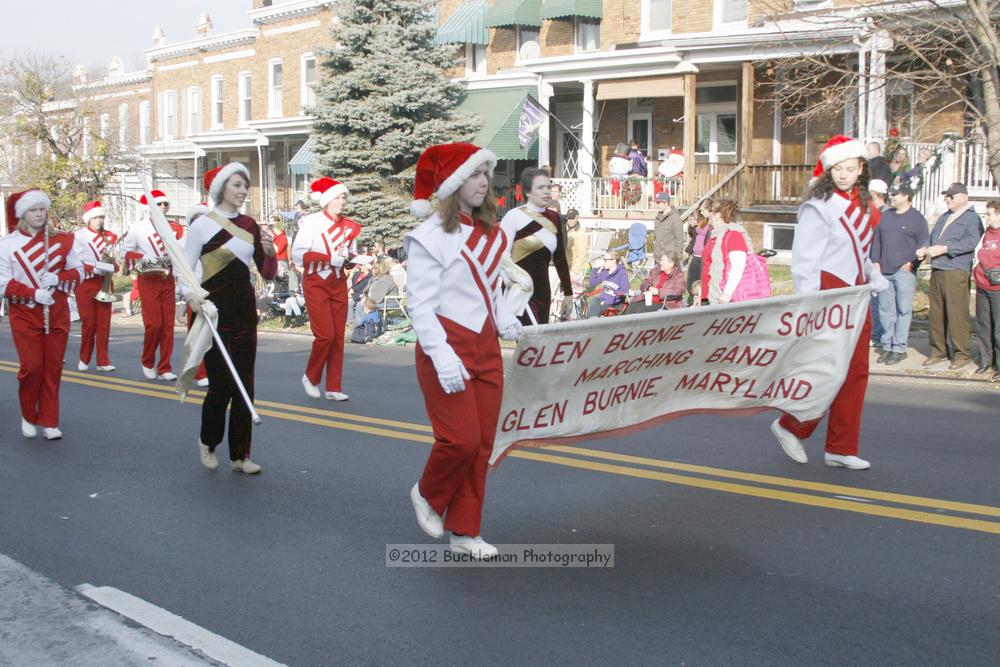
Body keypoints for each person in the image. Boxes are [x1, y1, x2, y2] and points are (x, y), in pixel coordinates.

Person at [404, 142, 523, 559]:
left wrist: (506, 316)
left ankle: (465, 530)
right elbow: (419, 304)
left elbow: (492, 288)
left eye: (485, 173)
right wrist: (440, 354)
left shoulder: (493, 232)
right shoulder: (429, 235)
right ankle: (426, 493)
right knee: (461, 441)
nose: (483, 181)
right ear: (454, 183)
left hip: (485, 343)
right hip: (445, 343)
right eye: (474, 174)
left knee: (484, 443)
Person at [770, 135, 889, 471]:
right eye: (837, 168)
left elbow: (859, 253)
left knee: (856, 373)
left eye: (850, 168)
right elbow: (804, 262)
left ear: (861, 169)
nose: (843, 174)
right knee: (826, 369)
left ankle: (841, 446)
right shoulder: (818, 207)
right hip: (828, 292)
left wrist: (873, 275)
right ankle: (791, 425)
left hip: (857, 293)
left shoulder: (866, 207)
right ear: (828, 169)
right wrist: (809, 303)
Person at [182, 163, 276, 474]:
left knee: (244, 385)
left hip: (244, 312)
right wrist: (192, 296)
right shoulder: (202, 226)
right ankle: (208, 442)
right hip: (214, 314)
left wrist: (271, 252)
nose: (242, 191)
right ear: (222, 188)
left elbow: (267, 272)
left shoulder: (251, 225)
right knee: (221, 385)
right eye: (236, 185)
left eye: (245, 187)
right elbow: (183, 269)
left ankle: (240, 455)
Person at [0, 190, 84, 440]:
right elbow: (3, 283)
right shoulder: (8, 244)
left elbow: (79, 272)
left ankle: (49, 420)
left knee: (53, 368)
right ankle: (28, 414)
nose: (38, 213)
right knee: (32, 368)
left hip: (56, 313)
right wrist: (33, 293)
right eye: (33, 209)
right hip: (25, 314)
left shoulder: (63, 240)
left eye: (42, 209)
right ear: (22, 214)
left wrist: (59, 278)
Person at [292, 177, 361, 401]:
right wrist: (330, 259)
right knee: (325, 335)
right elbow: (299, 254)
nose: (343, 201)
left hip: (338, 283)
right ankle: (310, 377)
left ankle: (333, 386)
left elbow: (349, 253)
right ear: (328, 200)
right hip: (316, 282)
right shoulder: (311, 222)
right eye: (339, 197)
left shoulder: (350, 226)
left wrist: (355, 259)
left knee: (338, 337)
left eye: (344, 197)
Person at [917, 182, 984, 370]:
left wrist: (946, 249)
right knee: (937, 314)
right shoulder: (944, 216)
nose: (947, 199)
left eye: (951, 196)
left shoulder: (972, 218)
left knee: (957, 314)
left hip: (956, 269)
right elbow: (932, 237)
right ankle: (938, 350)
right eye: (947, 196)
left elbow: (971, 242)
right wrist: (925, 248)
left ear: (963, 197)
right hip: (938, 268)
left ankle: (962, 353)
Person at [500, 167, 572, 325]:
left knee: (540, 345)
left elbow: (560, 258)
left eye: (549, 186)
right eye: (540, 187)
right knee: (527, 343)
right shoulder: (514, 216)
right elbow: (500, 256)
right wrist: (510, 283)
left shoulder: (554, 218)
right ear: (528, 192)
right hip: (519, 292)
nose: (547, 191)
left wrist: (568, 293)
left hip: (543, 294)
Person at [121, 190, 178, 381]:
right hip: (148, 279)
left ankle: (165, 367)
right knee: (154, 324)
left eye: (165, 204)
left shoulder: (174, 228)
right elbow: (125, 253)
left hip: (167, 278)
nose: (163, 207)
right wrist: (143, 257)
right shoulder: (138, 228)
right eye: (159, 204)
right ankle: (147, 361)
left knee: (168, 326)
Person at [870, 184, 928, 365]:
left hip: (904, 271)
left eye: (895, 195)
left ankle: (899, 347)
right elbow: (877, 240)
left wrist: (912, 263)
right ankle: (887, 345)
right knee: (886, 311)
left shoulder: (917, 219)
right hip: (885, 270)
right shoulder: (886, 216)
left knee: (903, 311)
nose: (892, 197)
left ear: (906, 196)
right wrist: (876, 261)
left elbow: (923, 244)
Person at [73, 200, 118, 372]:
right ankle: (84, 358)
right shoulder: (80, 236)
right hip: (87, 283)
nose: (99, 221)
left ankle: (103, 360)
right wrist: (97, 268)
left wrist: (113, 266)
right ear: (88, 219)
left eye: (101, 217)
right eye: (96, 217)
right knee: (89, 323)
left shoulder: (110, 236)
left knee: (104, 324)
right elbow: (75, 262)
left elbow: (115, 260)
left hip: (105, 283)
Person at [700, 199, 750, 305]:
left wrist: (727, 294)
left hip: (722, 297)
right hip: (710, 294)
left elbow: (738, 267)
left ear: (717, 215)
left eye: (710, 211)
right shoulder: (716, 235)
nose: (708, 215)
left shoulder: (733, 235)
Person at [971, 200, 1000, 379]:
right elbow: (978, 254)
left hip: (997, 288)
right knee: (983, 326)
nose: (986, 217)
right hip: (982, 285)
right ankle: (985, 361)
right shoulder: (987, 233)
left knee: (999, 328)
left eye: (989, 214)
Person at [586, 251, 629, 317]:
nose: (603, 262)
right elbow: (592, 283)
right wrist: (595, 269)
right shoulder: (605, 272)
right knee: (594, 301)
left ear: (613, 260)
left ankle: (591, 324)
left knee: (592, 308)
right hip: (602, 300)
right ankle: (592, 323)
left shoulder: (622, 273)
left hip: (615, 303)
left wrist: (607, 301)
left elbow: (625, 291)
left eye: (605, 260)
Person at [685, 199, 713, 304]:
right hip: (695, 256)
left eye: (703, 210)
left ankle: (703, 303)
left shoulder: (712, 224)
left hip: (704, 258)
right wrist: (691, 227)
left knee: (702, 284)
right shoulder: (702, 220)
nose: (701, 212)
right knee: (691, 283)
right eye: (700, 210)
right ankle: (691, 303)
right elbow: (694, 236)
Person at [652, 192, 684, 261]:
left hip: (669, 260)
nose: (656, 205)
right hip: (658, 258)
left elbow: (680, 240)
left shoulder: (675, 218)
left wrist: (675, 258)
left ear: (666, 203)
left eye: (658, 203)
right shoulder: (658, 218)